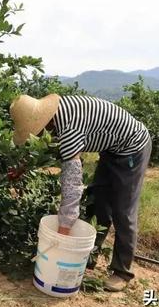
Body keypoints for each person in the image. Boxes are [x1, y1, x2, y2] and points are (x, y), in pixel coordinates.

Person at [10, 94, 151, 292]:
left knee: (123, 211)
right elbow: (47, 144)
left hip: (132, 148)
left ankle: (122, 272)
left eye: (37, 131)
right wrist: (23, 166)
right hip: (111, 149)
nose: (38, 135)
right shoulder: (56, 116)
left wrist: (64, 230)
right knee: (97, 202)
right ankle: (88, 257)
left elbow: (72, 185)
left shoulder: (69, 129)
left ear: (44, 122)